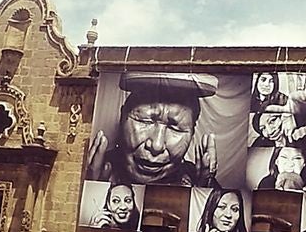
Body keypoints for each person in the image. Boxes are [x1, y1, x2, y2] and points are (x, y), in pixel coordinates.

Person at [86, 72, 219, 187]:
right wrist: (91, 189)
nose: (156, 145)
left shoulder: (197, 179)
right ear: (122, 117)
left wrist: (203, 195)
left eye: (175, 129)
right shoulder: (95, 170)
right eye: (145, 121)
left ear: (192, 133)